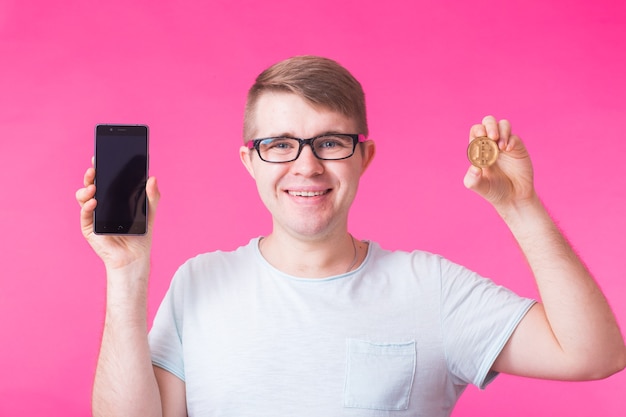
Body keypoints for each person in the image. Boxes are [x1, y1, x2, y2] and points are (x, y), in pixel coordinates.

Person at [76, 55, 626, 417]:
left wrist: (520, 207)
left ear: (364, 156)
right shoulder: (199, 282)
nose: (307, 166)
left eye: (331, 143)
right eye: (280, 144)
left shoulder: (430, 288)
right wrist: (125, 275)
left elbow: (594, 355)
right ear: (250, 161)